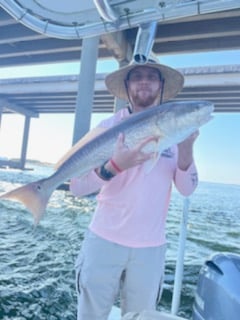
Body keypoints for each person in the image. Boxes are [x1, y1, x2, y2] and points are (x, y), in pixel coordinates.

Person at [70, 57, 199, 320]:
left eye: (151, 76)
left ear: (161, 85)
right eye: (137, 76)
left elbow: (187, 189)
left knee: (142, 316)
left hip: (150, 249)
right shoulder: (107, 128)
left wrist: (186, 150)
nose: (144, 82)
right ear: (127, 85)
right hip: (103, 241)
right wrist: (114, 167)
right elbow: (76, 187)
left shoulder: (174, 129)